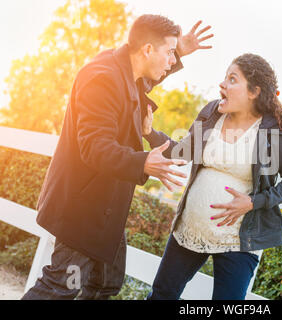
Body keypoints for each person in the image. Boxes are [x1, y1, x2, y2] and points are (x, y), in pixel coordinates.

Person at [21, 14, 213, 300]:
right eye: (169, 53)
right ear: (147, 50)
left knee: (105, 284)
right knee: (60, 288)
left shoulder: (128, 72)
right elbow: (95, 146)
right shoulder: (102, 78)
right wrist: (143, 162)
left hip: (105, 209)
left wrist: (179, 50)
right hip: (82, 209)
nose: (172, 61)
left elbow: (147, 82)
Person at [144, 53, 282, 300]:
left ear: (253, 92)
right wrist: (149, 133)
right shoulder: (212, 113)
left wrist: (252, 202)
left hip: (238, 242)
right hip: (190, 229)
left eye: (232, 79)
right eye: (225, 77)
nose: (222, 84)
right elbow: (182, 151)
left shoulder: (273, 132)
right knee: (161, 295)